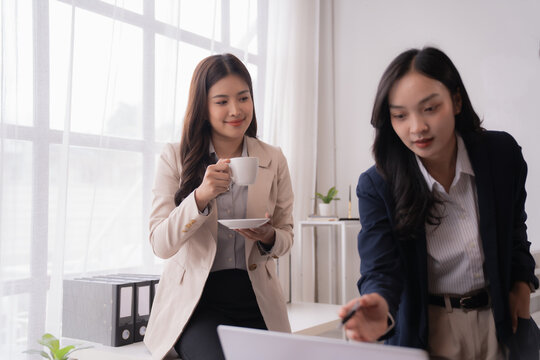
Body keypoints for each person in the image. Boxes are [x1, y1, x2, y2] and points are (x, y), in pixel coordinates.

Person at [339, 47, 540, 359]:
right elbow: (380, 267)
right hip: (430, 329)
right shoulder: (378, 185)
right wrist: (379, 302)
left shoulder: (502, 154)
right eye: (400, 115)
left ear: (456, 101)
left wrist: (522, 286)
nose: (417, 127)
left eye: (430, 108)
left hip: (501, 323)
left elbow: (515, 232)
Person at [143, 53, 294, 360]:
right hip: (197, 303)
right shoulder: (175, 157)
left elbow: (286, 235)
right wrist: (199, 197)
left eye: (243, 98)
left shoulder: (273, 157)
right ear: (203, 107)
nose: (236, 110)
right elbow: (160, 244)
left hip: (256, 298)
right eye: (222, 101)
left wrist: (267, 236)